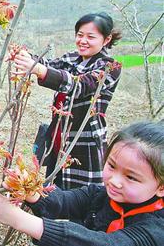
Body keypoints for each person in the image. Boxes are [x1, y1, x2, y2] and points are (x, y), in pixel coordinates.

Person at [0, 121, 164, 246]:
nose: (114, 181)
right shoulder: (100, 195)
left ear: (161, 187)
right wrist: (30, 190)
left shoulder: (155, 230)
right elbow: (65, 201)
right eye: (112, 166)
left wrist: (17, 218)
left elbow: (103, 243)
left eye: (131, 177)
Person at [11, 12, 122, 189]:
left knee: (80, 195)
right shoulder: (71, 58)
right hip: (59, 136)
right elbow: (47, 64)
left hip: (84, 141)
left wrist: (39, 70)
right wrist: (26, 56)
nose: (83, 40)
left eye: (90, 37)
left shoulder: (110, 67)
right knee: (55, 187)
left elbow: (80, 86)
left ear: (106, 39)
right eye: (79, 35)